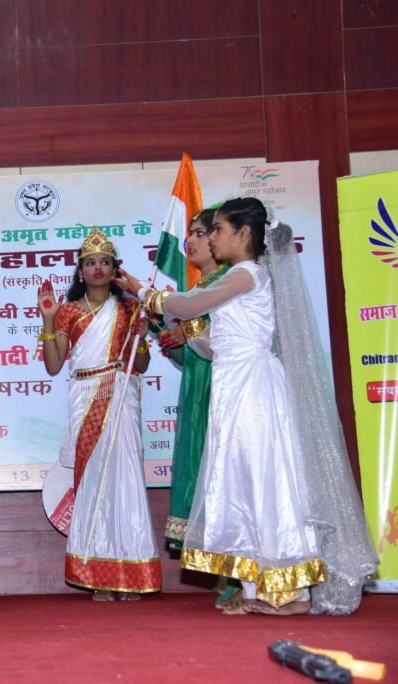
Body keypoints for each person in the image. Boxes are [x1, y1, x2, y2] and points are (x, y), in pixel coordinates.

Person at [119, 197, 377, 615]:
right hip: (233, 387)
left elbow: (188, 305)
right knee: (238, 484)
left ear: (243, 234)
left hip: (254, 390)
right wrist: (188, 334)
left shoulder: (247, 273)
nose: (211, 238)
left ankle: (294, 595)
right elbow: (216, 344)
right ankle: (256, 590)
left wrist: (143, 292)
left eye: (218, 229)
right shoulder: (236, 278)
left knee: (265, 482)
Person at [37, 228, 161, 601]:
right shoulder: (69, 311)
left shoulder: (129, 308)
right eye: (90, 262)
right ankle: (97, 573)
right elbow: (54, 365)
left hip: (121, 395)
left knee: (125, 478)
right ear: (80, 271)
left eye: (105, 262)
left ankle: (132, 571)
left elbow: (140, 364)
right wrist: (48, 319)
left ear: (114, 268)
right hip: (85, 395)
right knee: (93, 479)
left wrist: (141, 336)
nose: (98, 268)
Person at [154, 209, 230, 555]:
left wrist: (188, 329)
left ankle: (235, 568)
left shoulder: (230, 281)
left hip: (222, 390)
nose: (191, 241)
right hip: (197, 392)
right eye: (191, 233)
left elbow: (224, 341)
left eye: (200, 233)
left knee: (223, 475)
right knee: (200, 470)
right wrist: (161, 328)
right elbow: (190, 357)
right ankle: (222, 569)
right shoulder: (198, 288)